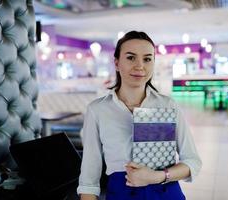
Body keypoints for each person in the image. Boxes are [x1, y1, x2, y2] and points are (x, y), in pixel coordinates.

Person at [77, 31, 202, 200]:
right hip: (121, 194)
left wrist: (157, 176)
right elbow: (89, 178)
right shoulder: (97, 110)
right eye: (130, 57)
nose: (139, 66)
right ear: (116, 63)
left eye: (147, 59)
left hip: (166, 193)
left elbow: (192, 162)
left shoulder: (168, 106)